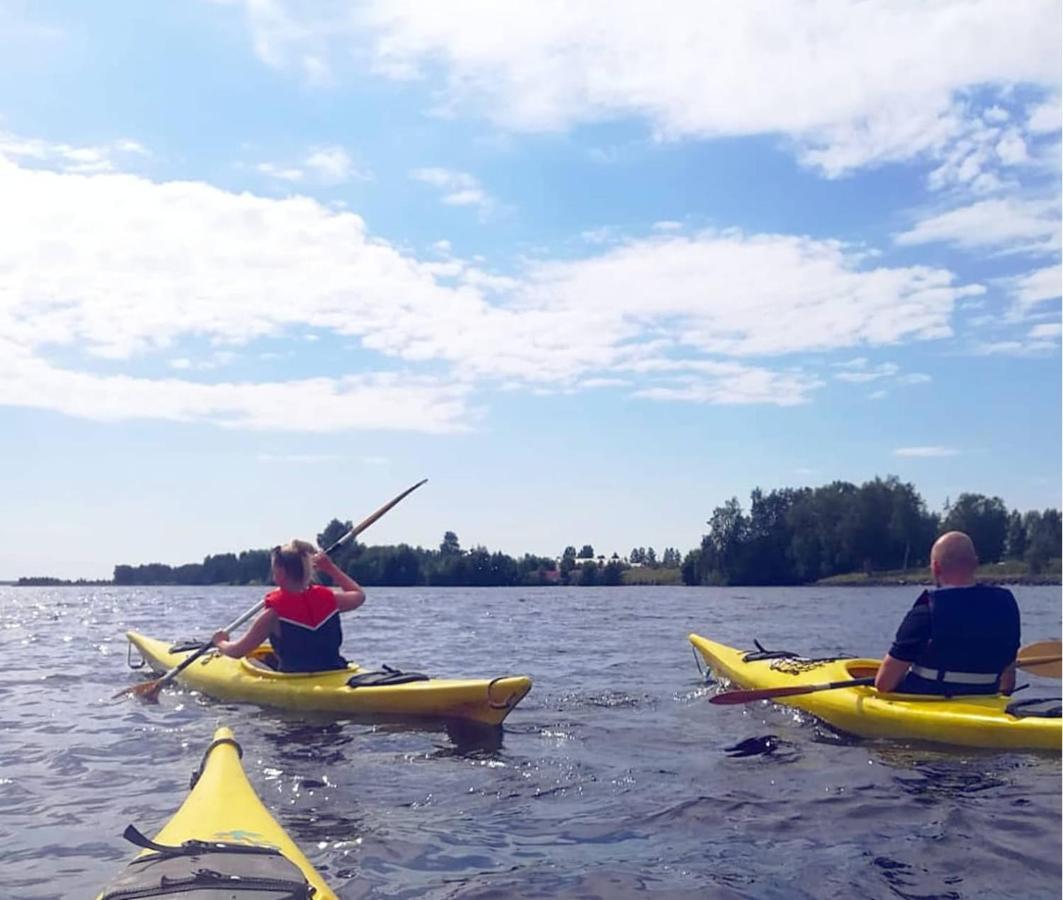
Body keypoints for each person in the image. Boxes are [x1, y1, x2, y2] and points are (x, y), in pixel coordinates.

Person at [874, 531, 1020, 695]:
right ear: (975, 563)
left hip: (930, 700)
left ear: (936, 567)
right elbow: (1008, 684)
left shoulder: (926, 612)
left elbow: (884, 684)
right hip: (985, 699)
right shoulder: (1006, 605)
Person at [212, 540, 365, 673]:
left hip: (295, 677)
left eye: (274, 570)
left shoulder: (272, 615)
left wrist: (220, 642)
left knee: (252, 661)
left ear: (280, 573)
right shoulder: (331, 599)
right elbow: (359, 595)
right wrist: (330, 568)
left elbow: (238, 651)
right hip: (334, 670)